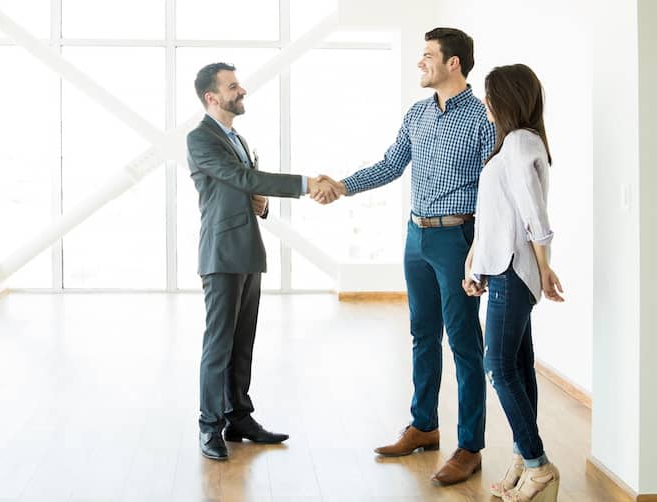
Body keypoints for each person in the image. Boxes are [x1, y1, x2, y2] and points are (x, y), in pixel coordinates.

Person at [315, 28, 496, 485]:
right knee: (421, 334)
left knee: (464, 343)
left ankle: (470, 446)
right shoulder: (417, 114)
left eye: (428, 56)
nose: (420, 63)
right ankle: (424, 426)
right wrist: (342, 185)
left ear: (453, 63)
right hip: (416, 237)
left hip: (458, 239)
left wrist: (482, 251)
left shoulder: (481, 118)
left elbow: (495, 191)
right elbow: (392, 163)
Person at [186, 62, 338, 461]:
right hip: (220, 254)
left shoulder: (238, 138)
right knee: (218, 345)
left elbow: (248, 190)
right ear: (212, 97)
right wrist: (307, 184)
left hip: (248, 250)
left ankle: (239, 418)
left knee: (242, 344)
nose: (243, 91)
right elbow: (244, 179)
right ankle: (209, 426)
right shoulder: (200, 139)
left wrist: (264, 204)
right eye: (233, 86)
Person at [463, 63, 563, 502]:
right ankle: (526, 460)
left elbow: (532, 213)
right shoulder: (513, 145)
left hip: (513, 270)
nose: (485, 103)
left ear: (502, 100)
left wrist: (544, 266)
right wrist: (474, 263)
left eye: (489, 95)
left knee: (498, 368)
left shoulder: (521, 141)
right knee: (519, 367)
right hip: (502, 267)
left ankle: (538, 465)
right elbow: (494, 215)